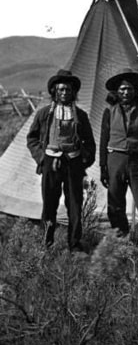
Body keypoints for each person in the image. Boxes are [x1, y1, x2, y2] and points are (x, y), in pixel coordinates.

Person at [26, 68, 96, 252]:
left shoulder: (80, 115)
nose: (65, 93)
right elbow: (32, 138)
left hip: (73, 163)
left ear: (74, 92)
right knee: (49, 204)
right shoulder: (43, 114)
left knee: (74, 205)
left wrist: (83, 161)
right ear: (54, 92)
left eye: (68, 90)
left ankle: (74, 244)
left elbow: (89, 142)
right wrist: (42, 158)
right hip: (51, 162)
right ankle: (46, 243)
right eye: (61, 90)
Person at [100, 68, 138, 236]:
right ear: (117, 91)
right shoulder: (110, 111)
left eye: (130, 88)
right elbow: (103, 140)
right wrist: (103, 166)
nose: (126, 92)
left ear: (135, 91)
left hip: (136, 161)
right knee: (115, 203)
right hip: (115, 159)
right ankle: (121, 237)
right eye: (122, 89)